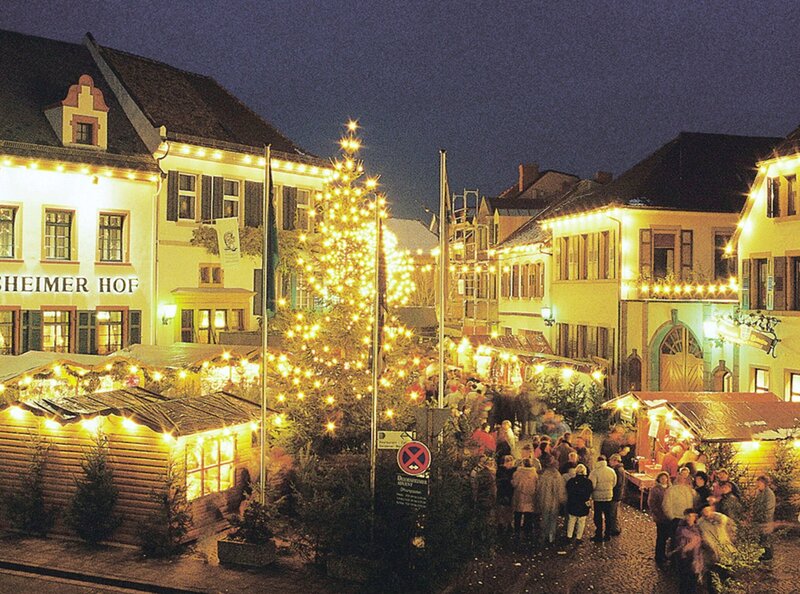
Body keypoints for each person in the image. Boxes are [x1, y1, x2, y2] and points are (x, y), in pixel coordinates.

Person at [698, 505, 736, 591]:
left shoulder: (720, 518)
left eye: (708, 511)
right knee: (712, 575)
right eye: (704, 512)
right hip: (710, 554)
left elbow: (728, 524)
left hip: (724, 551)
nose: (706, 513)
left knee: (727, 574)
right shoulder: (701, 523)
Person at [671, 508, 705, 594]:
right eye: (687, 516)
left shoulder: (698, 528)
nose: (688, 518)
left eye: (691, 516)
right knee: (684, 581)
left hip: (695, 559)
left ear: (695, 517)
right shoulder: (681, 529)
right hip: (685, 559)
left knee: (692, 583)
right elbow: (681, 544)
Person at [536, 457, 566, 545]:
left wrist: (539, 498)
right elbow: (561, 491)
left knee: (544, 518)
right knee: (553, 519)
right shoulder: (558, 477)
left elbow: (538, 489)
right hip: (554, 502)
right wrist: (562, 500)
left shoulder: (543, 476)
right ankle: (551, 537)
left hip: (544, 500)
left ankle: (543, 535)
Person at [663, 475, 698, 546]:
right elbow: (666, 505)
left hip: (687, 520)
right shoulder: (671, 490)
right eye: (682, 478)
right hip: (676, 519)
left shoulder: (688, 491)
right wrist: (672, 518)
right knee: (675, 540)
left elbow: (692, 504)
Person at [589, 455, 616, 542]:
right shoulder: (611, 471)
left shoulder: (594, 472)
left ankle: (599, 534)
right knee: (608, 516)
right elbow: (614, 483)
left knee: (598, 516)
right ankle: (607, 534)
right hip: (608, 496)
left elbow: (592, 485)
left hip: (598, 498)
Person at [565, 464, 593, 543]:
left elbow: (568, 490)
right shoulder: (588, 482)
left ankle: (569, 535)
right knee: (581, 521)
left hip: (573, 503)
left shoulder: (571, 481)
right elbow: (590, 492)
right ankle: (578, 537)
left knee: (571, 520)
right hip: (583, 504)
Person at [647, 471, 671, 563]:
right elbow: (651, 503)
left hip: (669, 517)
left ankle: (664, 554)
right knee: (661, 536)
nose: (664, 480)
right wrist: (657, 513)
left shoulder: (670, 488)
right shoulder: (655, 489)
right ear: (659, 479)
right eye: (662, 478)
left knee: (666, 536)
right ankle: (659, 555)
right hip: (660, 517)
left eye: (665, 478)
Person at [511, 457, 538, 539]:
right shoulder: (534, 474)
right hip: (530, 496)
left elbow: (514, 484)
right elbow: (537, 485)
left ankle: (517, 530)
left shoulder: (517, 473)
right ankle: (527, 530)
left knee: (518, 514)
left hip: (519, 496)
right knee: (528, 514)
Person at [752, 475, 776, 561]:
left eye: (759, 483)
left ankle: (768, 555)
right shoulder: (759, 492)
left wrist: (762, 517)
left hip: (766, 520)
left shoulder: (769, 494)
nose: (757, 484)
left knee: (766, 538)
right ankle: (763, 554)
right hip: (759, 520)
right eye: (757, 482)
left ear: (764, 483)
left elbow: (769, 509)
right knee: (761, 538)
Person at [495, 455, 517, 537]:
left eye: (511, 461)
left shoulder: (513, 471)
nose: (510, 463)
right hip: (503, 492)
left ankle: (508, 524)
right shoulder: (501, 471)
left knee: (509, 509)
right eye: (508, 461)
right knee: (502, 509)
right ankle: (501, 524)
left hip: (510, 493)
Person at [608, 453, 625, 536]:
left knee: (613, 513)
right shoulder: (620, 469)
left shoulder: (617, 470)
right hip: (618, 494)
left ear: (615, 461)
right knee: (614, 512)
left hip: (616, 494)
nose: (609, 462)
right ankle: (615, 528)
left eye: (610, 460)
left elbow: (618, 483)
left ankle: (615, 529)